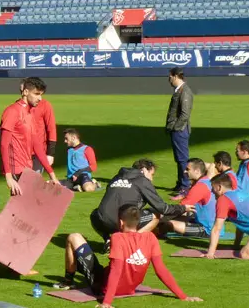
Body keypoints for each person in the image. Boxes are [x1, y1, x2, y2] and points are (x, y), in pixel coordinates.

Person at [52, 205, 202, 308]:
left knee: (74, 237)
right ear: (137, 223)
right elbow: (161, 270)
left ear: (121, 222)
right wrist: (183, 296)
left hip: (101, 285)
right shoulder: (150, 237)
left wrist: (107, 301)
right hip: (129, 288)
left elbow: (116, 270)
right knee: (84, 251)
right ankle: (73, 275)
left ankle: (68, 280)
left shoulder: (117, 237)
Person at [90, 159, 191, 252]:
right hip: (121, 222)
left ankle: (107, 240)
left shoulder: (116, 177)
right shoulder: (142, 180)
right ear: (143, 170)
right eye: (152, 174)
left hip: (101, 221)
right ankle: (127, 243)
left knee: (95, 213)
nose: (151, 179)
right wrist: (182, 208)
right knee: (156, 215)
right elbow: (162, 207)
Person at [0, 77, 60, 196]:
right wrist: (8, 176)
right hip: (16, 169)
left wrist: (52, 175)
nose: (40, 98)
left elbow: (37, 146)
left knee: (24, 208)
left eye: (41, 94)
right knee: (29, 205)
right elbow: (4, 145)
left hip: (27, 168)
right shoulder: (12, 111)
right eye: (36, 94)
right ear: (25, 92)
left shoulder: (29, 113)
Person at [160, 159, 219, 238]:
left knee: (168, 223)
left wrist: (160, 218)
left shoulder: (200, 187)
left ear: (197, 171)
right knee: (181, 215)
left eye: (188, 169)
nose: (185, 171)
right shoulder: (206, 180)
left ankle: (156, 232)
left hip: (207, 229)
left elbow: (181, 207)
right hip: (209, 223)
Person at [165, 67, 193, 199]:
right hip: (178, 130)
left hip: (180, 130)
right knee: (179, 158)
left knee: (182, 159)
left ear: (175, 76)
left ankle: (185, 185)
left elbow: (184, 114)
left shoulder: (184, 91)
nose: (168, 79)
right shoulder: (180, 90)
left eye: (169, 76)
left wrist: (175, 127)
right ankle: (181, 183)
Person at [60, 128, 100, 192]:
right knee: (52, 185)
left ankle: (95, 184)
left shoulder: (87, 149)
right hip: (71, 178)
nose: (65, 141)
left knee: (88, 188)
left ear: (73, 138)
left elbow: (93, 166)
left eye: (66, 138)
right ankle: (76, 187)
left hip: (83, 176)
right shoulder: (69, 150)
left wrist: (78, 173)